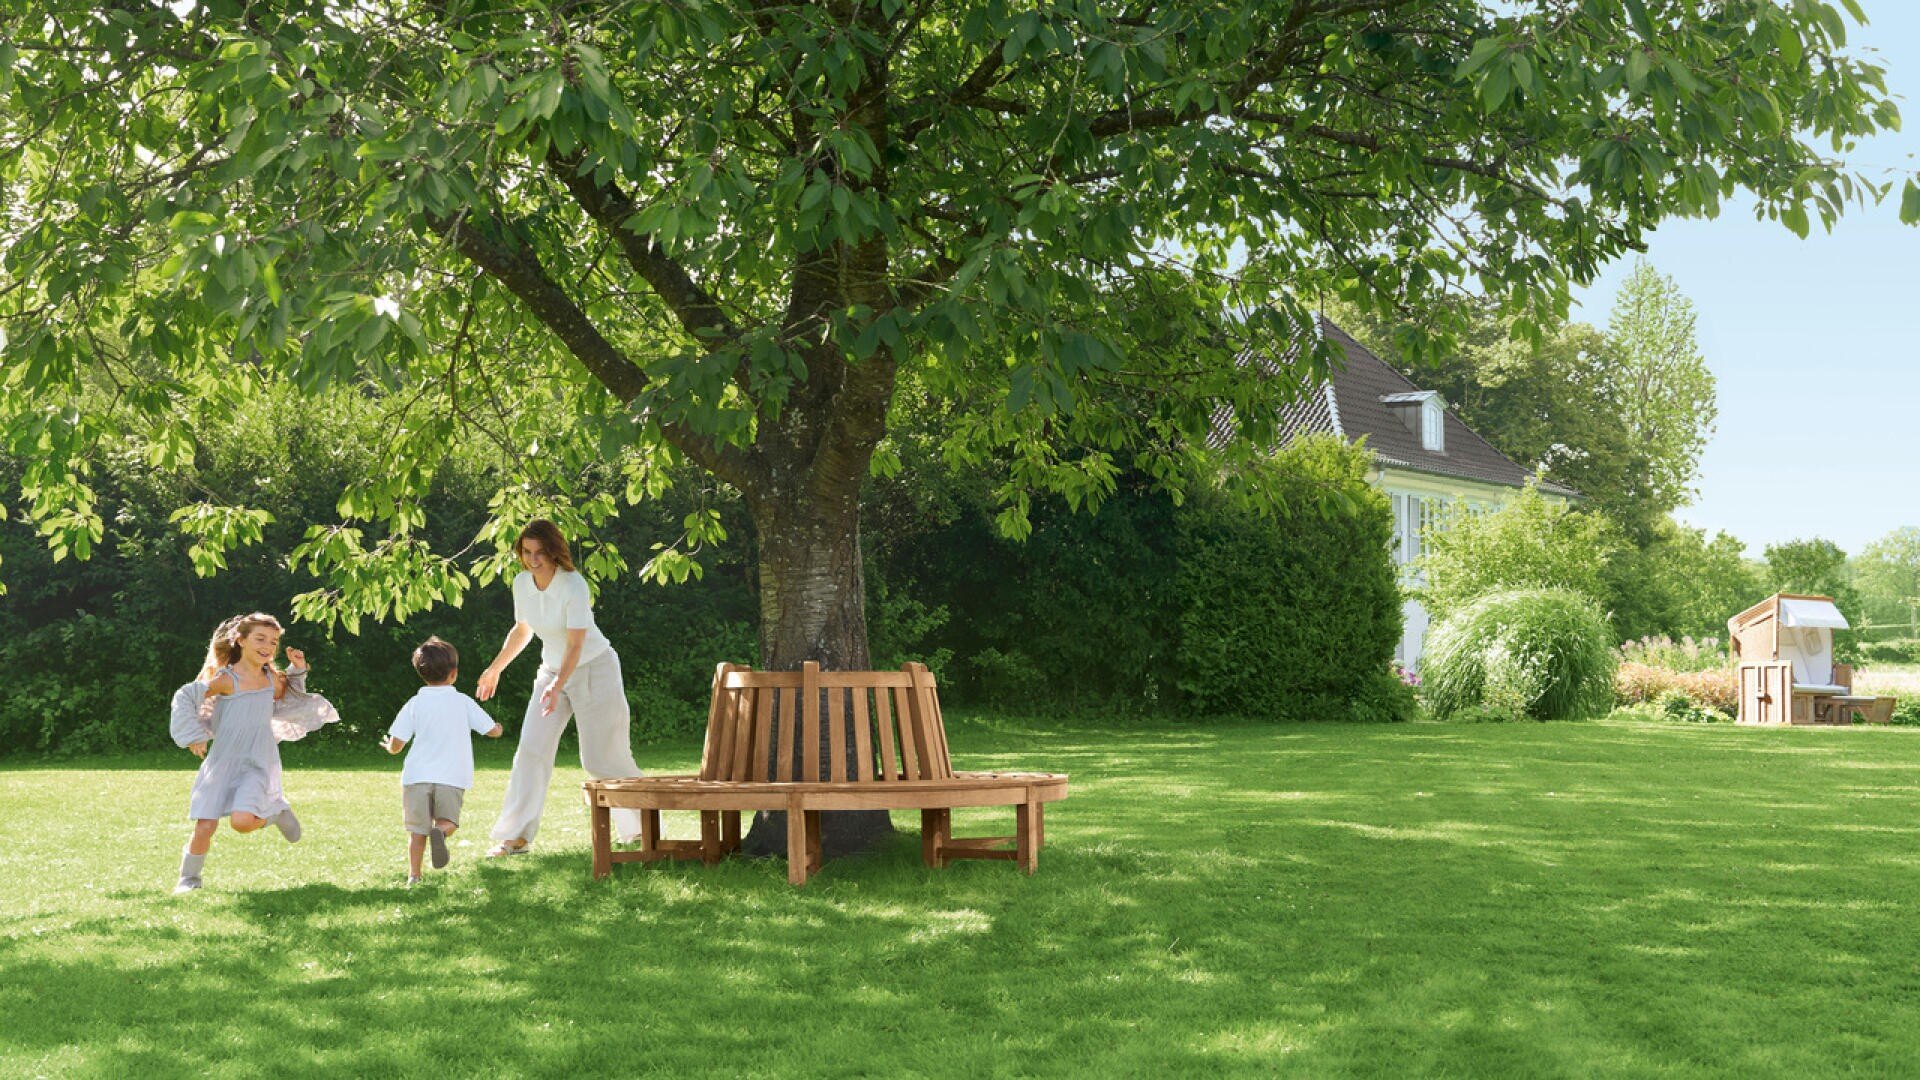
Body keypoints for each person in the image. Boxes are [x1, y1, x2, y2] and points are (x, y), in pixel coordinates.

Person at [479, 519, 644, 856]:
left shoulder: (573, 585)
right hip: (551, 671)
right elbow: (522, 630)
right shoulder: (522, 583)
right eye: (527, 552)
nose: (533, 559)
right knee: (531, 750)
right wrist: (495, 668)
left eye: (540, 552)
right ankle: (516, 838)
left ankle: (642, 833)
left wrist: (559, 684)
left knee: (602, 758)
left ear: (554, 552)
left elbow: (576, 645)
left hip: (594, 669)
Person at [168, 612, 339, 893]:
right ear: (241, 640)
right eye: (260, 639)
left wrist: (298, 670)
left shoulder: (271, 680)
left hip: (258, 761)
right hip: (222, 762)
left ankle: (274, 813)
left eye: (273, 642)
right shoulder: (226, 680)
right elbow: (185, 696)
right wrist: (193, 736)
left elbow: (291, 697)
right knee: (205, 826)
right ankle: (189, 879)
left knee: (242, 822)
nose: (267, 646)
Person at [383, 637, 503, 885]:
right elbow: (490, 730)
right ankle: (441, 832)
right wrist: (498, 729)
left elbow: (397, 742)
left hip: (416, 777)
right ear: (454, 673)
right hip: (451, 776)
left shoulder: (415, 703)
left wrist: (391, 749)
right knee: (448, 822)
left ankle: (414, 876)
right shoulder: (462, 701)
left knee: (417, 832)